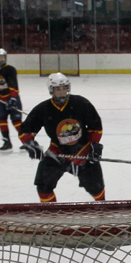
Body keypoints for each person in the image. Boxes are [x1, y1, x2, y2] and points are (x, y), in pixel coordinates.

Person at [17, 72, 105, 202]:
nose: (62, 92)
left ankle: (102, 209)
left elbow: (95, 126)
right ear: (51, 90)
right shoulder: (44, 109)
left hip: (83, 151)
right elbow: (26, 130)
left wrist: (95, 145)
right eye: (58, 89)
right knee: (43, 185)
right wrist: (30, 144)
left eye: (64, 88)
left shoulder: (81, 103)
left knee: (96, 188)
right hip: (57, 153)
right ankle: (51, 212)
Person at [0, 48, 22, 151]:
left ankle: (28, 141)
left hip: (12, 99)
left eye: (2, 57)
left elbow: (13, 85)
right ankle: (7, 142)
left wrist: (13, 98)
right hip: (1, 101)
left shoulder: (10, 69)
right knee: (1, 120)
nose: (1, 59)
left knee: (16, 121)